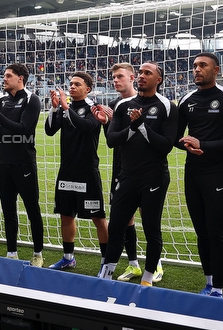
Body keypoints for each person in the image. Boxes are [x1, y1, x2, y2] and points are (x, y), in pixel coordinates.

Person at [101, 62, 178, 284]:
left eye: (148, 73)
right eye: (141, 73)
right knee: (116, 227)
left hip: (154, 178)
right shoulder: (123, 105)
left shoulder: (167, 106)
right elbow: (111, 140)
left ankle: (147, 278)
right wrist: (134, 127)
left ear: (159, 79)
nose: (143, 76)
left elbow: (165, 145)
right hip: (127, 176)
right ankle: (106, 276)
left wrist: (142, 126)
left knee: (151, 228)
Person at [176, 52, 223, 297]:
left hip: (218, 170)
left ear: (216, 70)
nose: (197, 69)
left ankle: (218, 287)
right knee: (201, 229)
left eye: (202, 65)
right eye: (195, 66)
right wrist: (186, 144)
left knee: (216, 230)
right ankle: (208, 281)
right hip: (192, 170)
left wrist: (203, 145)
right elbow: (175, 136)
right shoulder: (186, 99)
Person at [44, 72, 108, 270]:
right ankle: (68, 257)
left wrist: (64, 107)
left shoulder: (94, 109)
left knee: (98, 217)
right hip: (67, 171)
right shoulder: (66, 108)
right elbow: (49, 130)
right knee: (66, 214)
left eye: (77, 84)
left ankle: (107, 261)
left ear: (87, 89)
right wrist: (54, 108)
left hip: (87, 172)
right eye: (70, 84)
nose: (71, 87)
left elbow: (86, 127)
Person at [0, 63, 44, 265]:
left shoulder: (31, 100)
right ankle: (11, 254)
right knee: (8, 211)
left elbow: (24, 129)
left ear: (20, 78)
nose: (4, 79)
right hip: (4, 164)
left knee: (32, 210)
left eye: (8, 76)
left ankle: (38, 254)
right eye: (4, 75)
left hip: (24, 164)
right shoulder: (1, 101)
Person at [95, 63, 145, 281]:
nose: (115, 80)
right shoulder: (114, 105)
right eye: (113, 77)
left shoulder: (145, 102)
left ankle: (156, 265)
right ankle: (133, 264)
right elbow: (111, 140)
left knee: (149, 219)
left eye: (119, 76)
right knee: (125, 219)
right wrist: (106, 122)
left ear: (132, 77)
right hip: (121, 169)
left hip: (145, 170)